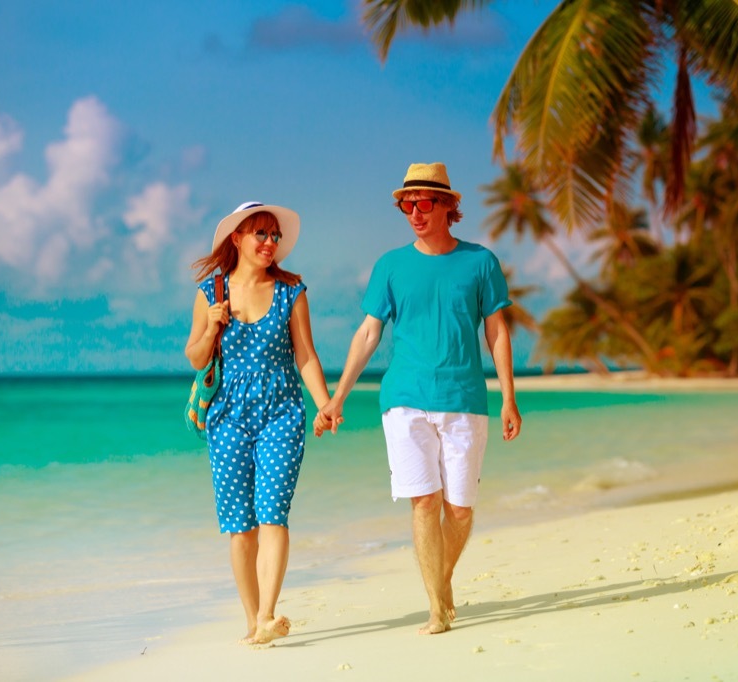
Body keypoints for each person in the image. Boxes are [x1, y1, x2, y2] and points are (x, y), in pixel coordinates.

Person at [316, 162, 523, 635]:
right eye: (406, 204)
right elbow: (369, 333)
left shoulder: (480, 262)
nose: (414, 212)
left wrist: (509, 396)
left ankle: (441, 581)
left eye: (425, 202)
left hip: (465, 398)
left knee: (461, 509)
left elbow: (496, 331)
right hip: (404, 399)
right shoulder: (390, 265)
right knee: (424, 503)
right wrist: (337, 397)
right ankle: (436, 606)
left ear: (450, 207)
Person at [185, 201, 332, 645]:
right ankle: (253, 622)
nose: (270, 243)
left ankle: (268, 614)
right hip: (227, 417)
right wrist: (211, 327)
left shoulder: (292, 291)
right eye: (261, 235)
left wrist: (324, 404)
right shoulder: (210, 293)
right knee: (239, 526)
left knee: (273, 515)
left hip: (281, 413)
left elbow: (305, 355)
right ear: (237, 239)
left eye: (275, 236)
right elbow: (194, 356)